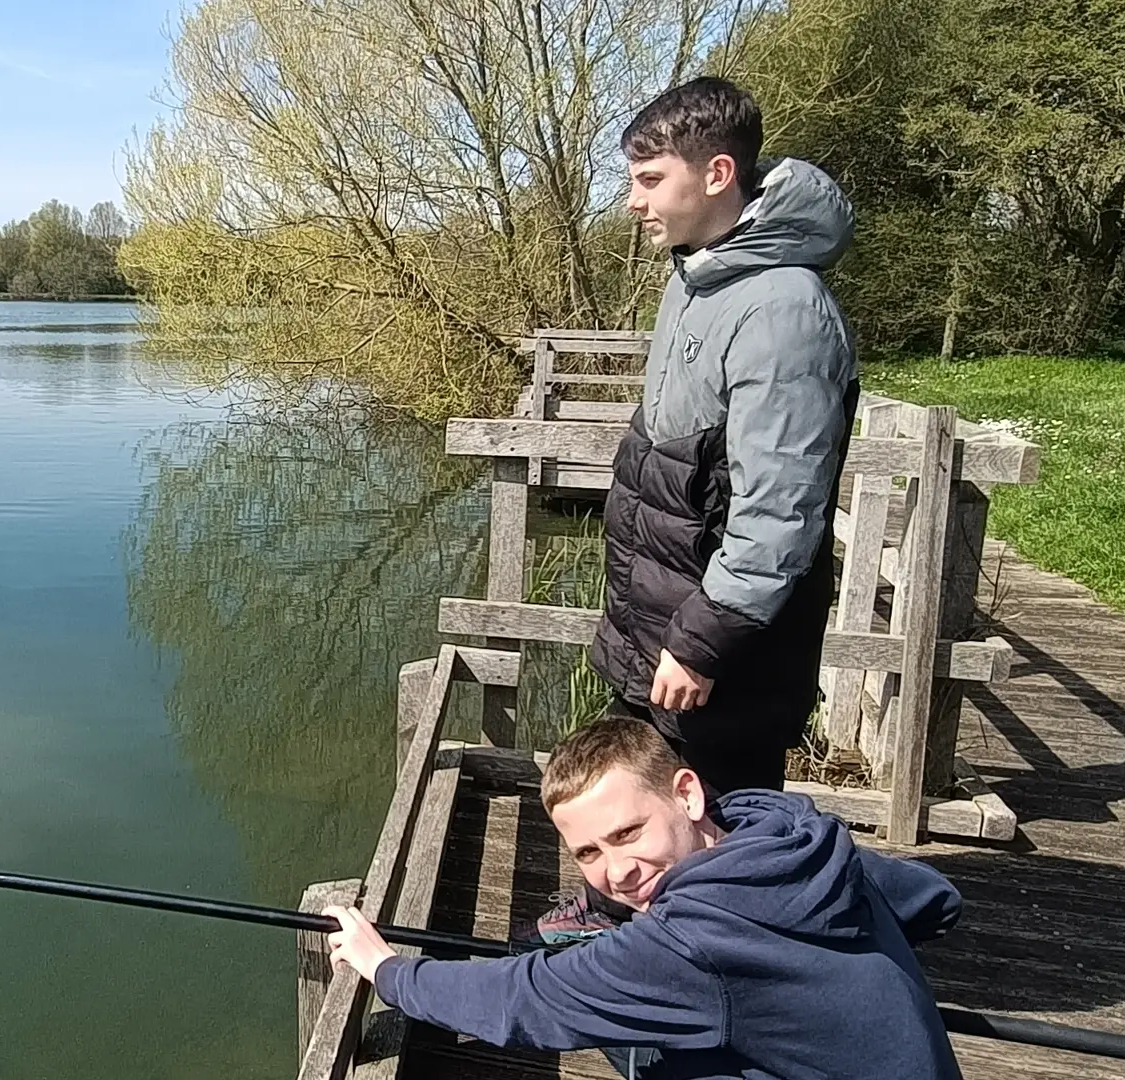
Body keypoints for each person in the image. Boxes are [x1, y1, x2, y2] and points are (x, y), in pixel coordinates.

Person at [531, 76, 861, 946]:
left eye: (648, 180)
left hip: (719, 640)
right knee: (646, 791)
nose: (632, 201)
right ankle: (629, 922)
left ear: (718, 173)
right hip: (658, 609)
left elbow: (779, 507)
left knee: (719, 806)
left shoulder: (785, 310)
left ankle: (735, 961)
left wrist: (703, 636)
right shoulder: (698, 276)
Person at [325, 716, 963, 1080]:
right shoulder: (796, 836)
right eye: (589, 854)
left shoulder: (687, 945)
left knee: (643, 1043)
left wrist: (387, 968)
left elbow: (523, 1000)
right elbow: (936, 901)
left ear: (686, 793)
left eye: (628, 833)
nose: (618, 872)